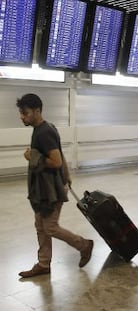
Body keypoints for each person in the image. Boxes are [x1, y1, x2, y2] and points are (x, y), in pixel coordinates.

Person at [16, 93, 93, 278]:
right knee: (40, 226)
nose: (22, 116)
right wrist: (67, 175)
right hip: (42, 190)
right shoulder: (44, 128)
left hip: (50, 191)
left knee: (50, 227)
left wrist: (32, 157)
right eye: (21, 113)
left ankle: (84, 245)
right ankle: (44, 264)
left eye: (25, 113)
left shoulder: (44, 131)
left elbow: (56, 161)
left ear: (37, 111)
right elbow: (60, 155)